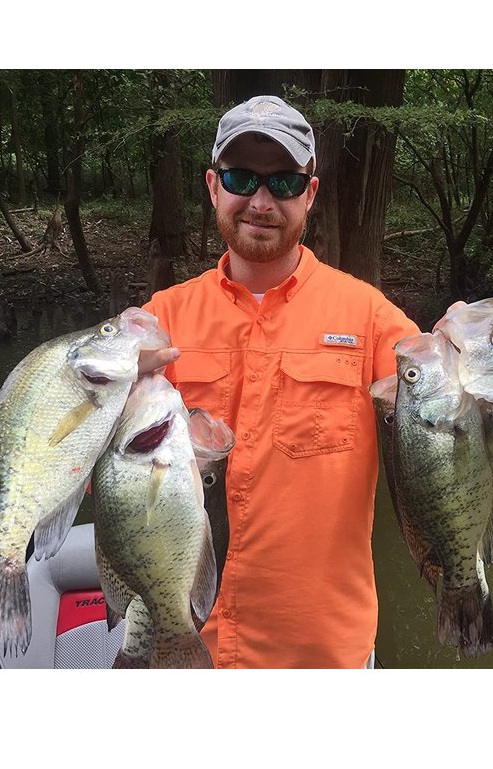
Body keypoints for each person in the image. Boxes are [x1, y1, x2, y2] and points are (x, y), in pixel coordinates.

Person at [140, 95, 419, 668]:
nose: (262, 202)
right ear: (213, 187)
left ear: (309, 194)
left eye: (284, 183)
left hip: (323, 656)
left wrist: (472, 359)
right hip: (184, 646)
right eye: (242, 178)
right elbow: (96, 470)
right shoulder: (158, 321)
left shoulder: (372, 318)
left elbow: (455, 427)